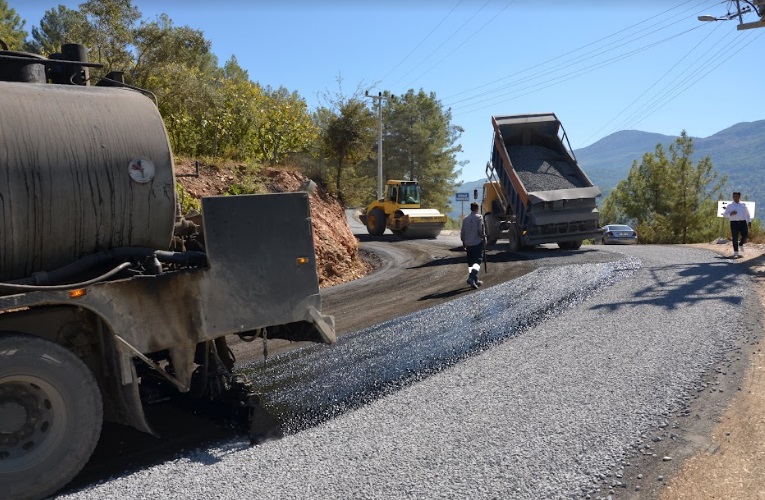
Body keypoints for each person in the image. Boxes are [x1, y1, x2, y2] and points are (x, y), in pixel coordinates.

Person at [460, 201, 486, 289]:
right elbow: (480, 230)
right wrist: (484, 237)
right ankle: (471, 278)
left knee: (471, 263)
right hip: (476, 243)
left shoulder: (465, 219)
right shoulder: (479, 217)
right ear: (477, 209)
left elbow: (462, 232)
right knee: (478, 261)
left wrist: (463, 243)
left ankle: (475, 279)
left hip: (468, 244)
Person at [722, 191, 752, 258]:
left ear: (739, 197)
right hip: (734, 223)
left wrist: (749, 221)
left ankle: (741, 244)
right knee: (735, 238)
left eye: (736, 196)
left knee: (745, 236)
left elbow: (747, 214)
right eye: (734, 196)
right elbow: (725, 215)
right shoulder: (730, 206)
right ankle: (736, 253)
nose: (735, 198)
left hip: (743, 222)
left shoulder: (743, 205)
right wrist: (730, 214)